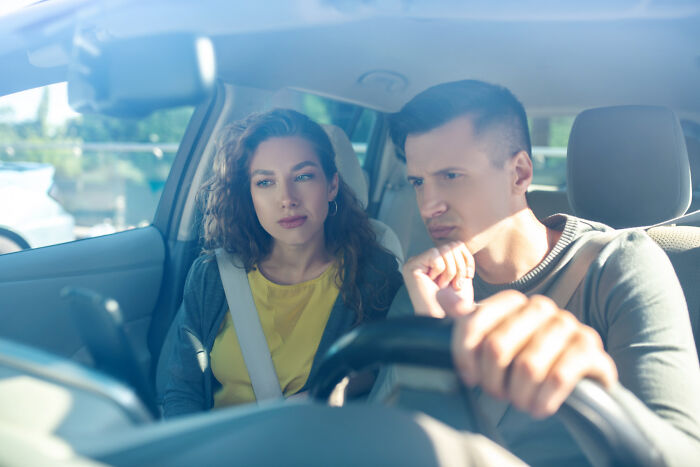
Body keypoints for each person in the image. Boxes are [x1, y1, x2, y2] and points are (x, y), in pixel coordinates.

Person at [384, 80, 700, 464]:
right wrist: (437, 333)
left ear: (518, 174)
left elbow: (684, 457)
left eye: (451, 176)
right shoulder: (423, 287)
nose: (429, 204)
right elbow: (385, 446)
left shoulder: (618, 267)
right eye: (418, 181)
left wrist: (593, 387)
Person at [161, 109, 402, 417]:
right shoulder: (212, 276)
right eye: (265, 182)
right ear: (248, 195)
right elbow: (183, 389)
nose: (287, 198)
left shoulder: (372, 274)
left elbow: (387, 370)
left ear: (331, 186)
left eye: (303, 176)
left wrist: (328, 390)